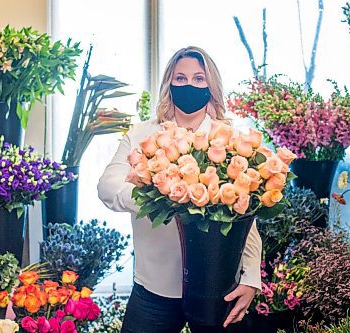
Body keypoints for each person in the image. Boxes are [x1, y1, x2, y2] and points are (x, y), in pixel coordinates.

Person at [97, 46, 262, 333]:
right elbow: (107, 187)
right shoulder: (142, 136)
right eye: (180, 78)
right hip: (154, 287)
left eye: (199, 79)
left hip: (218, 285)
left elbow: (246, 217)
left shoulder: (233, 142)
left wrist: (250, 278)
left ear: (211, 87)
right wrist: (157, 196)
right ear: (168, 84)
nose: (189, 85)